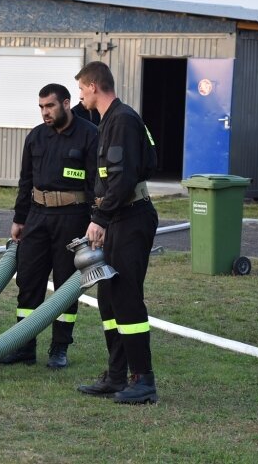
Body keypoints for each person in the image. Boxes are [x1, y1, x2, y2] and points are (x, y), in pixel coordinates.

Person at [74, 61, 159, 404]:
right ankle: (116, 375)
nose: (80, 96)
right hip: (119, 216)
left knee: (126, 298)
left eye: (81, 89)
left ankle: (143, 380)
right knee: (109, 298)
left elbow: (122, 180)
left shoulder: (121, 120)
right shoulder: (110, 120)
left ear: (94, 86)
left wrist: (101, 218)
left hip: (130, 217)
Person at [0, 84, 97, 369]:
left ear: (66, 104)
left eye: (50, 106)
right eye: (41, 107)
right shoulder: (36, 137)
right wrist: (19, 219)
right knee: (28, 282)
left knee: (66, 284)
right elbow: (25, 181)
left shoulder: (90, 135)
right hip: (37, 217)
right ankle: (24, 346)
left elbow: (96, 184)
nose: (45, 112)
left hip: (73, 218)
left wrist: (95, 221)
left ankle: (59, 348)